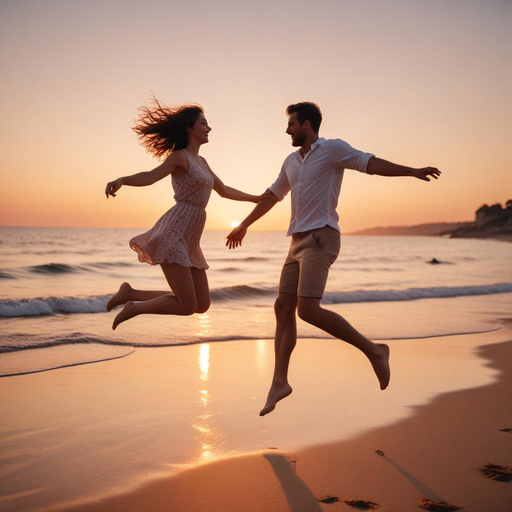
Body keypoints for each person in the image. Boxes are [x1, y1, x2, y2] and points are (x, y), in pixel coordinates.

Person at [226, 102, 441, 416]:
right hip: (295, 243)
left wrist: (411, 171)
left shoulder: (333, 149)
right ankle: (279, 382)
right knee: (282, 307)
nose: (287, 130)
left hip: (321, 238)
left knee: (308, 311)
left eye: (292, 124)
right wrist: (244, 223)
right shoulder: (290, 161)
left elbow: (370, 163)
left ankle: (374, 350)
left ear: (308, 124)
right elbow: (272, 195)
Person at [105, 99, 264, 330]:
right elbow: (151, 176)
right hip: (173, 231)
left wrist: (256, 198)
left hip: (190, 238)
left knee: (201, 304)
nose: (209, 128)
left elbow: (224, 190)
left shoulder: (202, 162)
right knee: (187, 305)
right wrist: (123, 180)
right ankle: (134, 307)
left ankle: (132, 293)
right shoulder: (180, 157)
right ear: (189, 128)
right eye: (204, 123)